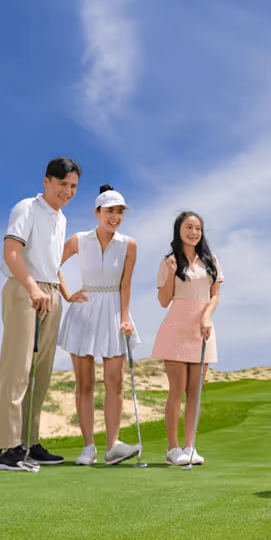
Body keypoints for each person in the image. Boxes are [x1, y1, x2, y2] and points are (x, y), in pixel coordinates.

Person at [0, 157, 81, 471]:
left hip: (51, 293)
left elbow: (53, 265)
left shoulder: (61, 218)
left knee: (40, 375)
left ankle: (29, 444)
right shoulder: (26, 208)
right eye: (62, 184)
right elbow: (11, 253)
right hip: (24, 290)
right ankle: (8, 449)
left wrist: (66, 294)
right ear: (47, 181)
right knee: (18, 370)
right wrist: (32, 288)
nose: (68, 191)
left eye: (73, 186)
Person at [57, 185, 142, 466]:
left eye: (120, 212)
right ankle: (88, 447)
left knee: (115, 383)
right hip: (83, 311)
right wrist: (67, 294)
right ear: (97, 212)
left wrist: (125, 317)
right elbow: (51, 263)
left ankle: (113, 446)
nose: (116, 217)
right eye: (110, 211)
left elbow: (126, 284)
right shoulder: (79, 240)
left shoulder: (129, 245)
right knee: (85, 383)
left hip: (114, 311)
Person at [151, 211, 223, 466]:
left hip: (202, 330)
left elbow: (215, 296)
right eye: (189, 227)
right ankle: (173, 449)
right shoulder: (168, 261)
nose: (194, 232)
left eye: (198, 228)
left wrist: (206, 318)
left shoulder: (211, 261)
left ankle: (190, 447)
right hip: (176, 329)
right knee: (177, 391)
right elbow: (163, 301)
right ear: (179, 230)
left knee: (195, 393)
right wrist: (171, 273)